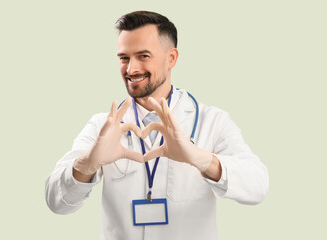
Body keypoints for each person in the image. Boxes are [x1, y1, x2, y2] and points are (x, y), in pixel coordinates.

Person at [45, 11, 269, 240]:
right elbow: (56, 202)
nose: (131, 69)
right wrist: (87, 164)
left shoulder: (211, 120)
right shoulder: (102, 125)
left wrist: (201, 159)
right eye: (124, 58)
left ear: (171, 58)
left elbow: (258, 186)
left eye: (143, 56)